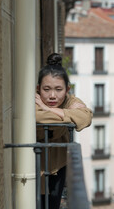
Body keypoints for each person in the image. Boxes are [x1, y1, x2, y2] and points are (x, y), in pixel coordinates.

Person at [35, 53, 92, 209]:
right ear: (38, 88)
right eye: (46, 89)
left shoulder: (69, 100)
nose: (52, 95)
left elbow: (86, 117)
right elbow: (38, 116)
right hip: (35, 169)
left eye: (58, 89)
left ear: (67, 89)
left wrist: (47, 108)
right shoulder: (33, 100)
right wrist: (67, 115)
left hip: (59, 166)